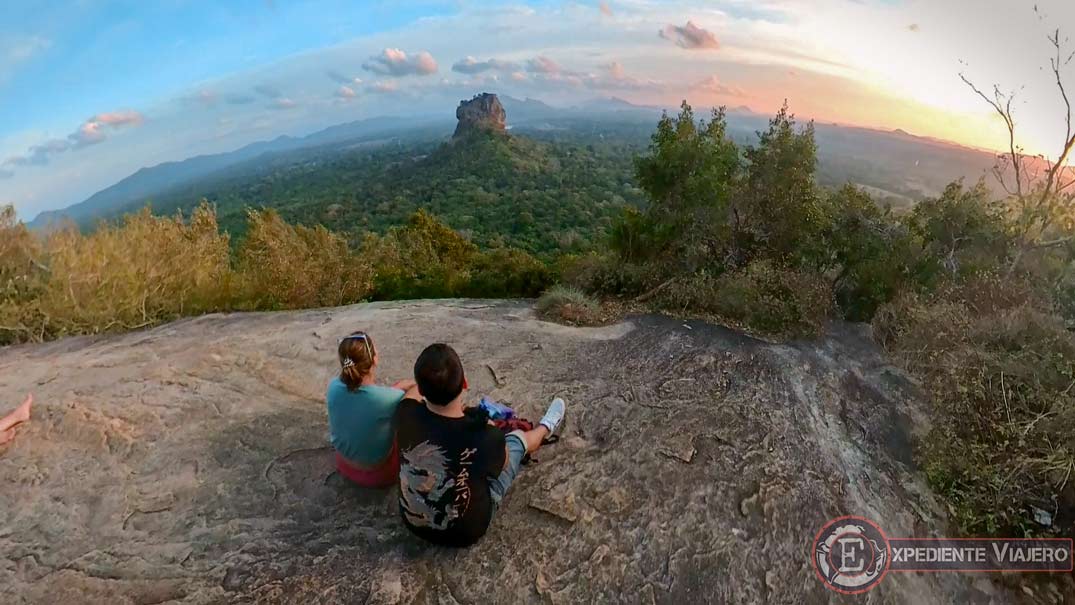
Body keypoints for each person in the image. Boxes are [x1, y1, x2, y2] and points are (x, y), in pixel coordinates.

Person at [395, 343, 565, 547]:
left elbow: (412, 392)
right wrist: (490, 428)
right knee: (517, 439)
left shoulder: (404, 412)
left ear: (421, 390)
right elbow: (503, 466)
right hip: (465, 532)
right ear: (464, 383)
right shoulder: (484, 434)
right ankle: (546, 427)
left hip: (413, 522)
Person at [327, 331, 419, 487]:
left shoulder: (333, 387)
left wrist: (395, 389)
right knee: (410, 418)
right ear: (374, 360)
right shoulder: (388, 400)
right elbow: (415, 396)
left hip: (343, 464)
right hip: (380, 475)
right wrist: (414, 386)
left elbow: (369, 402)